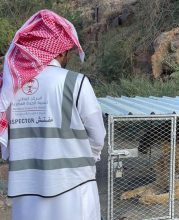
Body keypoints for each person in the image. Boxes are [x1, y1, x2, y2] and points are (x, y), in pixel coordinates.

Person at [0, 10, 106, 220]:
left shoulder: (9, 89)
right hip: (75, 190)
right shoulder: (76, 82)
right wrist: (86, 159)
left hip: (26, 194)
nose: (67, 56)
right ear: (58, 52)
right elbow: (98, 135)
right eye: (67, 51)